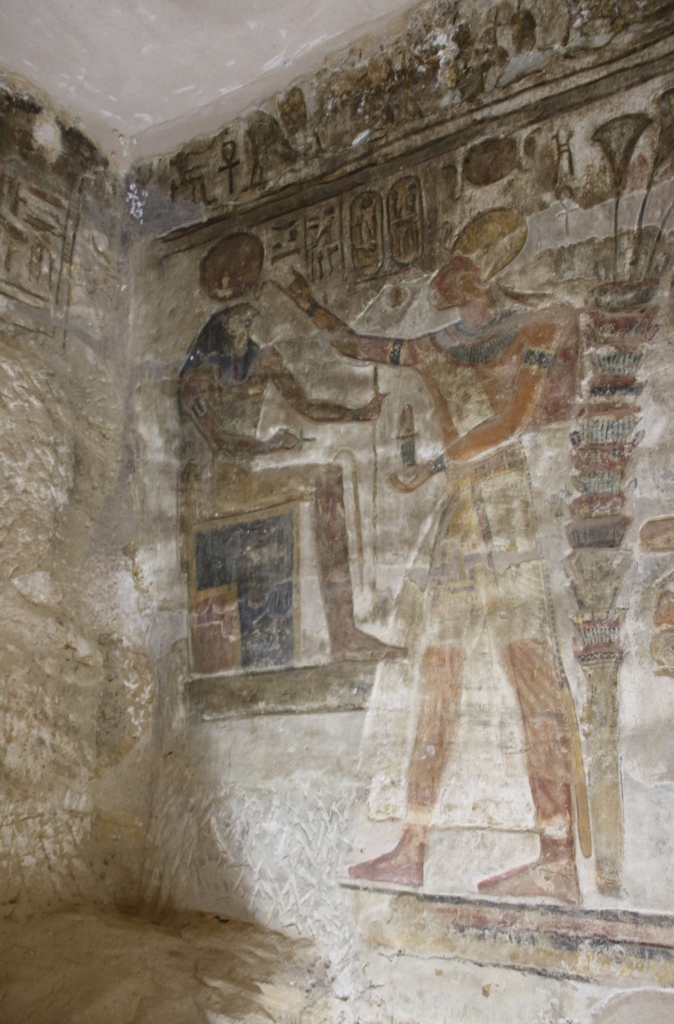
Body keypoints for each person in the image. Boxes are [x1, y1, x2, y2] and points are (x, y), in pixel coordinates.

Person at [279, 253, 587, 904]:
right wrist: (306, 301)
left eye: (450, 271)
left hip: (503, 508)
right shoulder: (434, 345)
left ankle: (557, 856)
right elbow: (355, 345)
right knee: (436, 675)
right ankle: (412, 847)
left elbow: (514, 421)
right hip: (459, 516)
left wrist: (432, 463)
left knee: (531, 673)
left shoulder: (532, 328)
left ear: (480, 272)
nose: (435, 284)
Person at [179, 302, 406, 663]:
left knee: (329, 475)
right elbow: (219, 442)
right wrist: (268, 446)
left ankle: (344, 634)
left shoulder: (262, 360)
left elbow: (306, 405)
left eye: (250, 319)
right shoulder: (196, 379)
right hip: (219, 486)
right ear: (220, 326)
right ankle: (343, 635)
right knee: (322, 480)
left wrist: (356, 413)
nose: (247, 328)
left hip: (248, 476)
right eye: (238, 321)